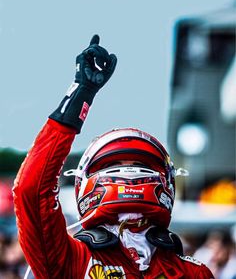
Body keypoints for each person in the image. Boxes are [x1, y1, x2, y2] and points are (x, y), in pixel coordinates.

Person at [13, 35, 214, 278]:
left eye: (140, 165)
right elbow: (31, 189)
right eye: (114, 165)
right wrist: (81, 94)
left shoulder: (193, 272)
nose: (128, 174)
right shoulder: (70, 260)